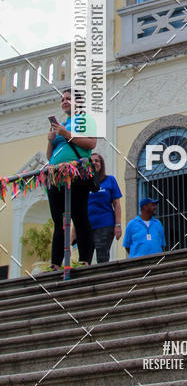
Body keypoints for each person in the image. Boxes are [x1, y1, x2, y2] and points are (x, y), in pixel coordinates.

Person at [46, 88, 97, 268]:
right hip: (56, 176)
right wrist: (51, 140)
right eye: (62, 99)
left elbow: (91, 143)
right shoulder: (61, 125)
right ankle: (55, 262)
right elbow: (49, 156)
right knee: (58, 220)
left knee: (79, 215)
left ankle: (84, 258)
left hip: (76, 173)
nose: (64, 101)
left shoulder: (85, 120)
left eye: (68, 98)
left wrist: (67, 135)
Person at [87, 152, 122, 263]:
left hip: (105, 225)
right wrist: (74, 232)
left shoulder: (110, 180)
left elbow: (117, 204)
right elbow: (80, 209)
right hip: (87, 226)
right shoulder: (84, 183)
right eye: (91, 161)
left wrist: (118, 225)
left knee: (102, 256)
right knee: (85, 259)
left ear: (101, 164)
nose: (94, 163)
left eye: (97, 161)